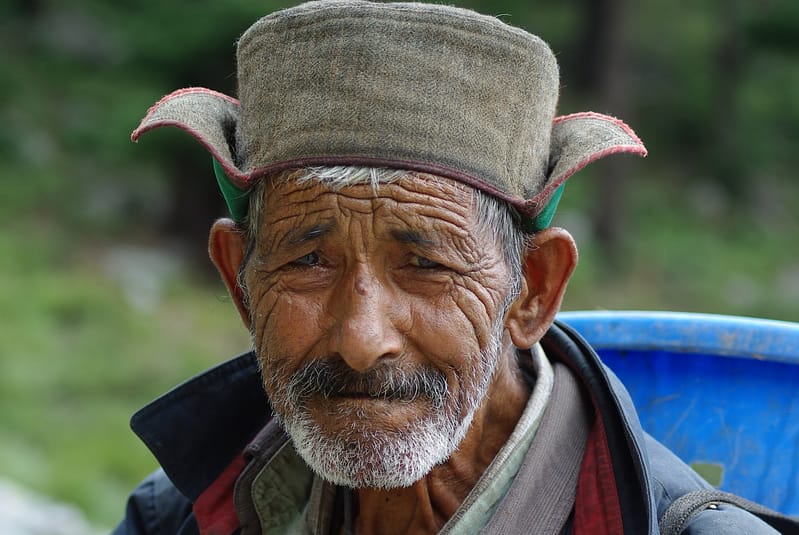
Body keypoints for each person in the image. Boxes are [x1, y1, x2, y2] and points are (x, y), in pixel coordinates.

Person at [115, 2, 797, 534]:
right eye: (308, 260)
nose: (361, 338)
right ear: (240, 279)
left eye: (424, 265)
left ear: (532, 289)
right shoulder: (180, 516)